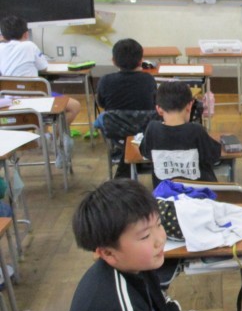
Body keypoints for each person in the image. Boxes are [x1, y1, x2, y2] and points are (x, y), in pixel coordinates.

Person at [64, 179, 242, 311]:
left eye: (159, 224)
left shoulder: (137, 266)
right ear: (108, 253)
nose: (160, 239)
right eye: (145, 236)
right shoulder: (116, 305)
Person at [0, 15, 81, 168]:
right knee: (74, 106)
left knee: (37, 112)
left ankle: (44, 136)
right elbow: (43, 67)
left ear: (2, 35)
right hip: (36, 100)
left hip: (10, 104)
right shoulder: (29, 46)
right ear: (26, 34)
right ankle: (53, 137)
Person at [140, 80, 221, 188]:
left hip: (166, 194)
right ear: (189, 105)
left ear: (159, 109)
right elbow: (214, 156)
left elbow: (145, 152)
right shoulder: (196, 130)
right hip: (199, 193)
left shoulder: (152, 129)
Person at [95, 38, 158, 178]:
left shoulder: (105, 80)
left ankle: (120, 152)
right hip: (143, 132)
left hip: (116, 131)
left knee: (101, 119)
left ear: (113, 61)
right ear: (141, 61)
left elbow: (101, 103)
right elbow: (154, 103)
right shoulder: (148, 80)